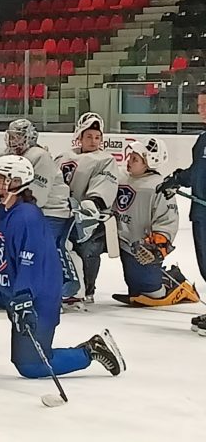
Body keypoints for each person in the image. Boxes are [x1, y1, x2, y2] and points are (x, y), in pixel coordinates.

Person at [0, 155, 126, 379]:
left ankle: (91, 350)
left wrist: (23, 298)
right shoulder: (1, 212)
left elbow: (31, 263)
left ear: (17, 182)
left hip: (40, 296)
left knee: (31, 367)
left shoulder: (28, 217)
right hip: (15, 290)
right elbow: (4, 257)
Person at [113, 139, 197, 306]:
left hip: (141, 247)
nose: (128, 161)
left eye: (135, 159)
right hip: (120, 240)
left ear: (149, 163)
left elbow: (167, 221)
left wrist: (156, 245)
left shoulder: (159, 186)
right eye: (130, 157)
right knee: (135, 287)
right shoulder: (121, 177)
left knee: (151, 293)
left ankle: (177, 283)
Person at [4, 119, 80, 298]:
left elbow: (38, 195)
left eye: (18, 137)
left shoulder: (39, 156)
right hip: (33, 211)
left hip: (53, 211)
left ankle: (66, 283)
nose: (14, 141)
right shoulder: (10, 156)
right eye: (12, 137)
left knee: (46, 247)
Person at [55, 112, 120, 308]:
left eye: (98, 137)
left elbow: (106, 182)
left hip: (92, 218)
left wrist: (94, 201)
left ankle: (87, 289)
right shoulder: (64, 156)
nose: (94, 141)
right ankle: (63, 286)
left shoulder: (105, 160)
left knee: (87, 249)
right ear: (80, 137)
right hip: (63, 212)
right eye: (89, 136)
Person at [157, 88, 206, 332]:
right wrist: (177, 179)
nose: (200, 111)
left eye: (204, 106)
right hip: (200, 213)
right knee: (205, 264)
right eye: (199, 105)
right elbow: (196, 173)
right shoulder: (202, 140)